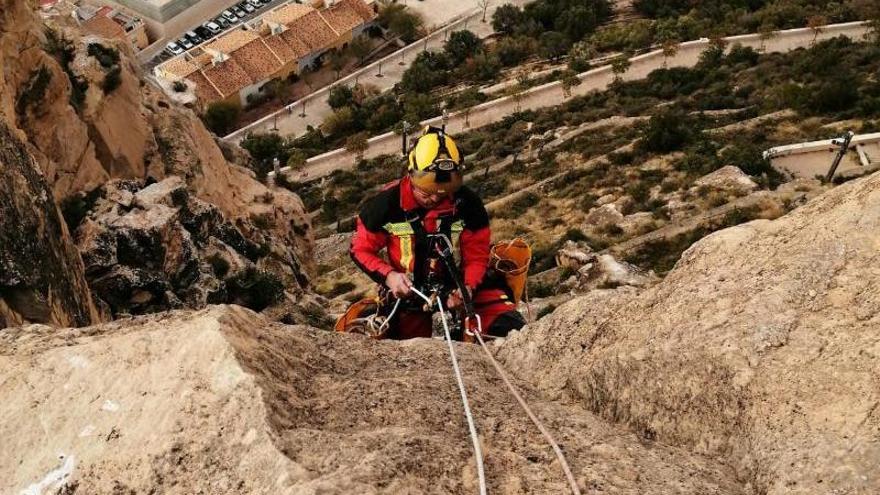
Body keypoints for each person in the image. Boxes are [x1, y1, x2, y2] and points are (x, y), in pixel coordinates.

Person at [349, 126, 526, 340]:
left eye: (442, 195)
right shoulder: (385, 205)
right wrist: (390, 277)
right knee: (405, 347)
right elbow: (360, 249)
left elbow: (477, 255)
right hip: (408, 292)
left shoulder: (467, 204)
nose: (434, 199)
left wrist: (467, 287)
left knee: (506, 324)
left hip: (454, 284)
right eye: (426, 193)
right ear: (411, 174)